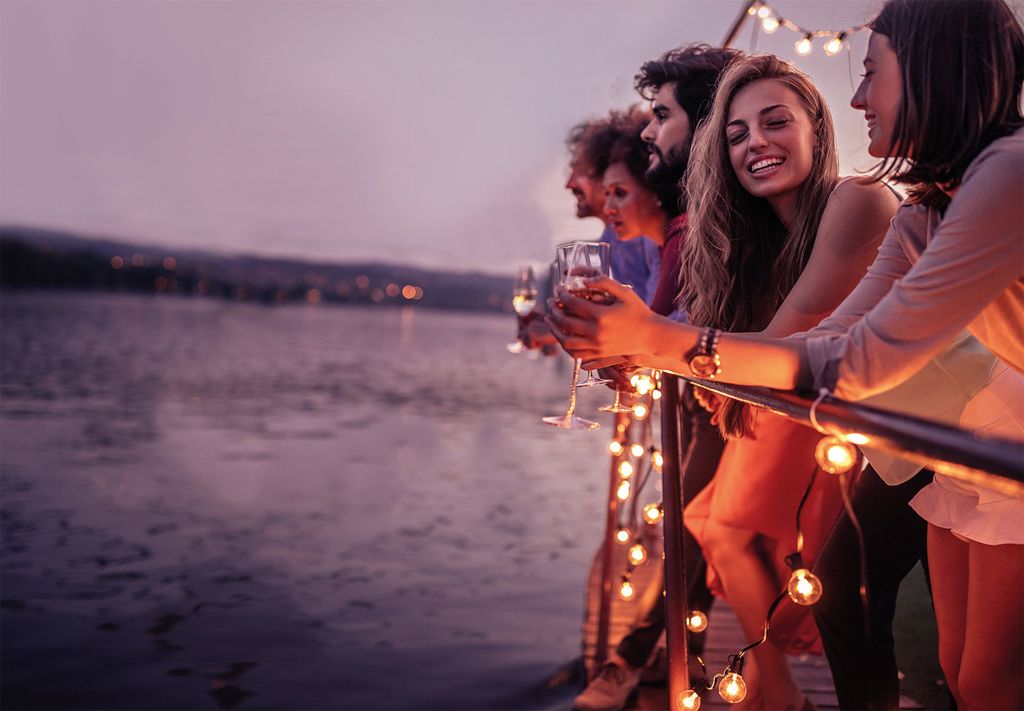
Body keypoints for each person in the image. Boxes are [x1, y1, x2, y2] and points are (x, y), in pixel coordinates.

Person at [548, 1, 1024, 708]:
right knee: (959, 672)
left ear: (933, 70)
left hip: (980, 426)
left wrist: (658, 343)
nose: (858, 97)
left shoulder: (988, 177)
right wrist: (651, 350)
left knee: (971, 671)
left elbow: (849, 357)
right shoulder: (926, 208)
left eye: (872, 74)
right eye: (736, 133)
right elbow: (826, 346)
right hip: (945, 443)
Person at [556, 52, 900, 709]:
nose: (756, 143)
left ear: (818, 127)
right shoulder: (749, 238)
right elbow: (717, 338)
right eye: (737, 134)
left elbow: (791, 336)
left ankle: (771, 689)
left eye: (776, 122)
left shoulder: (858, 201)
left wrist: (649, 343)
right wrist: (635, 352)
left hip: (918, 426)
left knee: (818, 584)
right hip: (832, 415)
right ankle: (773, 690)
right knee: (731, 533)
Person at [572, 44, 738, 711]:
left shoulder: (695, 228)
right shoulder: (681, 229)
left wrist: (625, 345)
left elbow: (667, 329)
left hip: (726, 405)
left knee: (693, 529)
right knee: (693, 529)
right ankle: (678, 660)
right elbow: (658, 332)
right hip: (701, 402)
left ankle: (641, 659)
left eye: (619, 191)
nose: (609, 206)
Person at [518, 115, 661, 352]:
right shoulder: (611, 239)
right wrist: (558, 326)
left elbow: (653, 324)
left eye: (579, 170)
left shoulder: (649, 236)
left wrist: (559, 331)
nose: (569, 184)